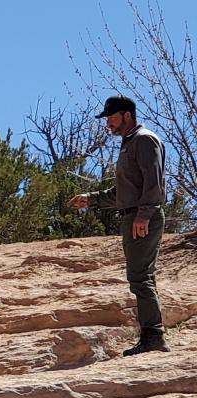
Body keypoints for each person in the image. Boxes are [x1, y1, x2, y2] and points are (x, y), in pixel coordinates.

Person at [68, 95, 170, 356]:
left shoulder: (145, 140)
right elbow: (125, 190)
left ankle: (153, 337)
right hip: (133, 215)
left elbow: (154, 184)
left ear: (127, 115)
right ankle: (152, 335)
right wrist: (91, 199)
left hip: (141, 217)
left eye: (111, 118)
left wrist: (144, 215)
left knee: (140, 277)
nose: (108, 124)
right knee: (141, 276)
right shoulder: (130, 143)